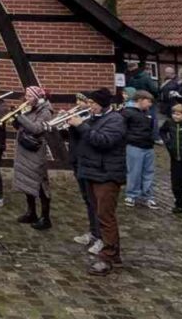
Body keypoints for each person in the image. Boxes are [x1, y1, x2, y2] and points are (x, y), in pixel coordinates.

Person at [69, 88, 127, 276]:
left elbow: (103, 141)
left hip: (106, 174)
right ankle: (111, 254)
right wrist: (71, 126)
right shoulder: (93, 118)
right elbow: (83, 141)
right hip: (91, 171)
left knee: (105, 216)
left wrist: (81, 125)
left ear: (102, 104)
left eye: (93, 103)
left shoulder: (115, 120)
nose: (89, 106)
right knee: (96, 211)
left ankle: (108, 257)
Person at [12, 86, 56, 230]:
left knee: (40, 183)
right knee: (26, 181)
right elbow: (21, 126)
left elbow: (37, 129)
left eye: (29, 97)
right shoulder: (29, 108)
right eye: (26, 96)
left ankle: (45, 217)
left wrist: (20, 116)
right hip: (24, 149)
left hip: (35, 151)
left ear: (38, 97)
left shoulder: (45, 111)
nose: (26, 99)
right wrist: (15, 119)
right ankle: (31, 212)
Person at [123, 90, 158, 209]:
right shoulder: (127, 112)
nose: (150, 104)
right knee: (134, 172)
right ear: (140, 100)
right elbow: (123, 130)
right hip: (134, 146)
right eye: (148, 101)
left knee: (149, 172)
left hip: (148, 146)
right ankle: (131, 195)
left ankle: (148, 196)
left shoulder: (148, 113)